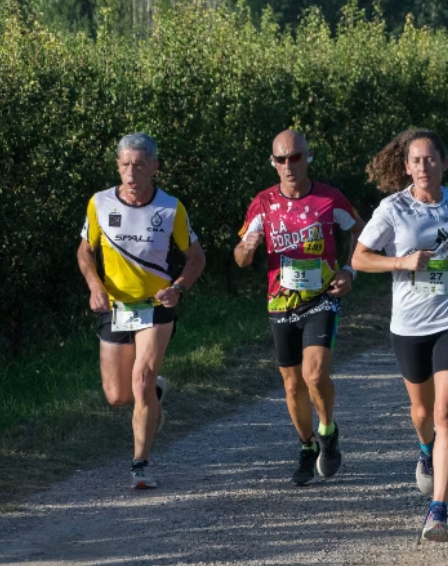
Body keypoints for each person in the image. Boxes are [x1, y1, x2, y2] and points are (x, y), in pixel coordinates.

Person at [352, 129, 448, 543]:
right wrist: (401, 262)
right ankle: (425, 450)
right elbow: (359, 257)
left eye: (431, 159)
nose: (424, 167)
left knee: (445, 412)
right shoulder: (392, 208)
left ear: (444, 163)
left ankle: (438, 511)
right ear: (405, 167)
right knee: (422, 414)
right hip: (409, 325)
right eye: (416, 160)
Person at [234, 130, 365, 486]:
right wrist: (249, 246)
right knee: (292, 386)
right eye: (281, 159)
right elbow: (240, 258)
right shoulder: (262, 203)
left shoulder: (328, 198)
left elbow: (361, 233)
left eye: (295, 157)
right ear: (273, 163)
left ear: (308, 157)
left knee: (315, 374)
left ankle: (327, 430)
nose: (288, 166)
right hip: (281, 302)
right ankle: (307, 447)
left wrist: (349, 271)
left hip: (321, 298)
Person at [77, 133, 205, 489]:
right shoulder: (100, 203)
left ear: (154, 168)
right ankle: (155, 394)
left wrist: (178, 288)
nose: (131, 173)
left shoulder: (170, 208)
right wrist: (95, 286)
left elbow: (196, 257)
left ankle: (140, 464)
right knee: (118, 395)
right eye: (125, 165)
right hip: (115, 307)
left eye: (139, 165)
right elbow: (85, 251)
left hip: (155, 307)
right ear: (118, 166)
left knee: (141, 380)